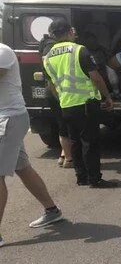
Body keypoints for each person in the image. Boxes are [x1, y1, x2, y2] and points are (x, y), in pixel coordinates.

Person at [0, 42, 64, 247]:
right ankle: (51, 210)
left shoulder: (2, 51)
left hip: (8, 119)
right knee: (23, 168)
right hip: (9, 119)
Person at [43, 19, 117, 188]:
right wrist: (107, 97)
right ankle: (95, 179)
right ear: (69, 32)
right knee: (90, 142)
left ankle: (81, 177)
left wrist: (61, 99)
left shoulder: (47, 57)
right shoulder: (79, 50)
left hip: (66, 105)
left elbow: (51, 85)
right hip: (86, 103)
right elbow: (96, 77)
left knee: (74, 141)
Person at [39, 34, 73, 168]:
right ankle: (69, 158)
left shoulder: (45, 45)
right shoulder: (54, 49)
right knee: (67, 125)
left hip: (53, 91)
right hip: (58, 92)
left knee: (62, 124)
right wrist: (61, 98)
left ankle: (64, 155)